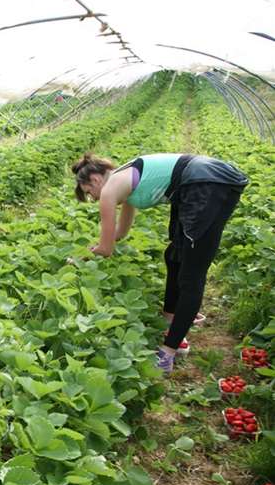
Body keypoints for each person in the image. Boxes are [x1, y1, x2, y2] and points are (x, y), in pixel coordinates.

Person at [72, 152, 248, 373]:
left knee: (191, 274)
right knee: (174, 255)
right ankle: (171, 319)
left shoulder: (108, 191)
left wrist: (84, 256)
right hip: (197, 182)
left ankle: (168, 353)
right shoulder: (122, 179)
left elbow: (107, 250)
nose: (94, 199)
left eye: (89, 193)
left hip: (205, 184)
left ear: (96, 180)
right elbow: (119, 234)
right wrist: (92, 248)